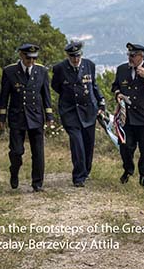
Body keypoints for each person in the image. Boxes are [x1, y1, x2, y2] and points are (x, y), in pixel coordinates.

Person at [0, 43, 54, 192]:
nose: (31, 61)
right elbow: (4, 96)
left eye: (34, 58)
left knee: (38, 152)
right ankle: (14, 171)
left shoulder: (41, 71)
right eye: (28, 58)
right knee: (16, 151)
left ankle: (37, 183)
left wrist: (49, 115)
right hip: (17, 116)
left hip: (36, 116)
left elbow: (46, 95)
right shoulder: (9, 71)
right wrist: (1, 117)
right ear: (21, 56)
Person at [51, 41, 106, 187]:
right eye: (72, 56)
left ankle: (86, 171)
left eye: (77, 56)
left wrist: (101, 101)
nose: (75, 59)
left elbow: (93, 85)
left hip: (89, 110)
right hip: (70, 112)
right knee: (77, 144)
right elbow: (56, 86)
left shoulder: (90, 65)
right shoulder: (59, 68)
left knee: (88, 144)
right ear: (68, 56)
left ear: (81, 54)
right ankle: (78, 177)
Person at [111, 43, 144, 186]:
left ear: (142, 56)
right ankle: (128, 169)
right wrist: (118, 94)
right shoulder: (122, 69)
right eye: (129, 55)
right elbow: (115, 86)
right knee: (125, 146)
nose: (130, 58)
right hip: (127, 118)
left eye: (133, 55)